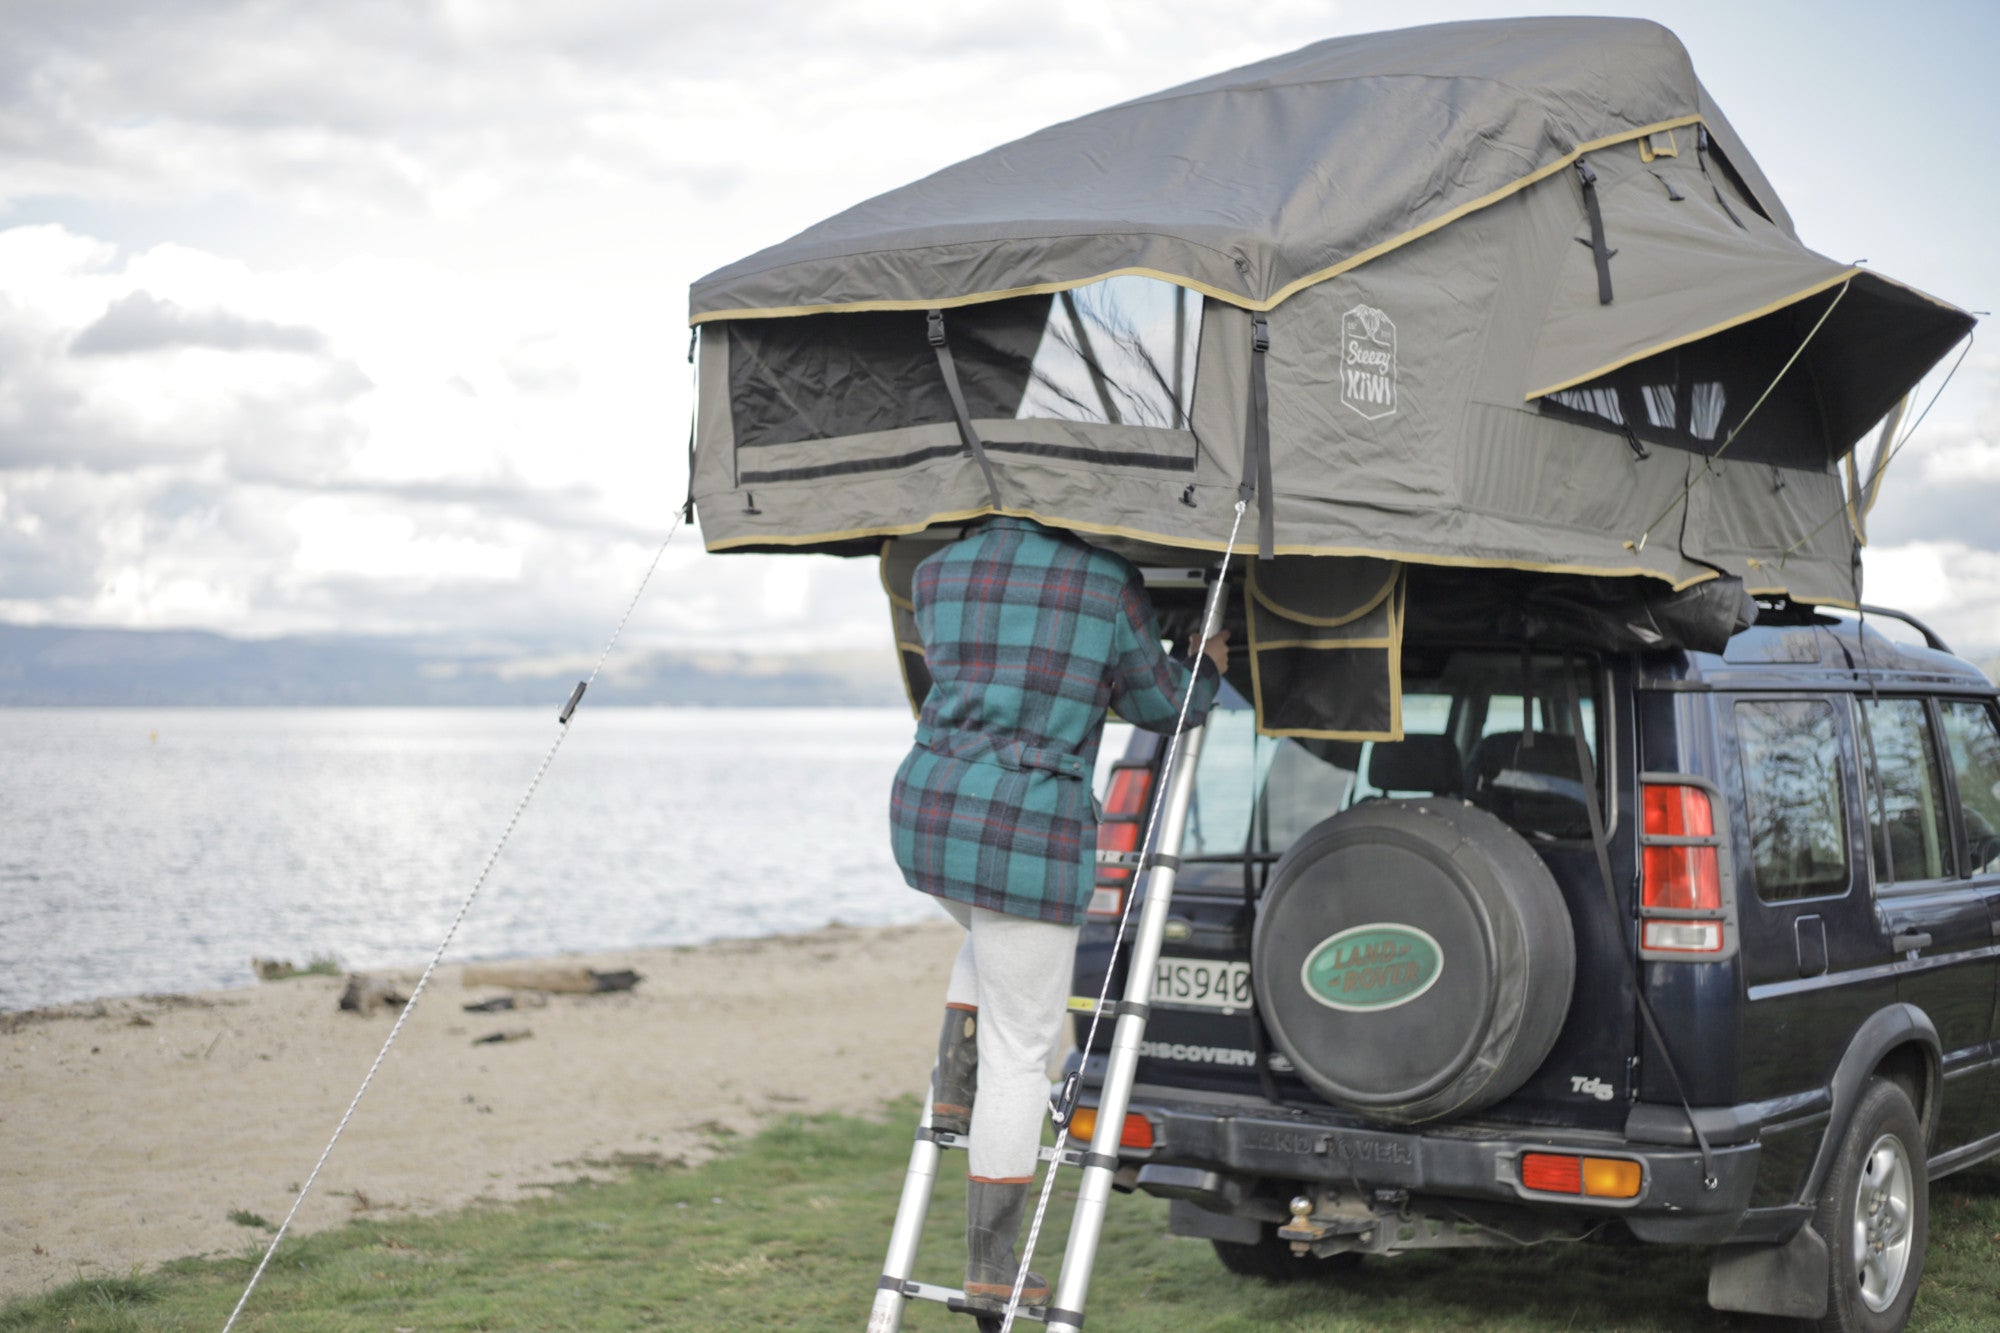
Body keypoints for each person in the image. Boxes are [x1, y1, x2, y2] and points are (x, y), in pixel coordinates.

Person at [889, 514, 1225, 1310]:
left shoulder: (935, 571)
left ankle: (953, 1083)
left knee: (991, 933)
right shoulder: (1104, 580)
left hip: (929, 812)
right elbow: (1163, 703)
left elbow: (983, 676)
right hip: (1024, 828)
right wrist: (1203, 666)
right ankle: (993, 1264)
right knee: (1022, 1049)